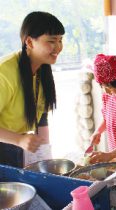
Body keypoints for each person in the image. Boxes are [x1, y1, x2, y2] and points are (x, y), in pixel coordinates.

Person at [0, 11, 64, 168]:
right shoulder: (4, 72)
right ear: (29, 42)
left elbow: (42, 118)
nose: (58, 47)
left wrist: (45, 155)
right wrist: (19, 140)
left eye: (60, 40)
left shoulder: (42, 69)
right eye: (51, 41)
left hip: (18, 146)